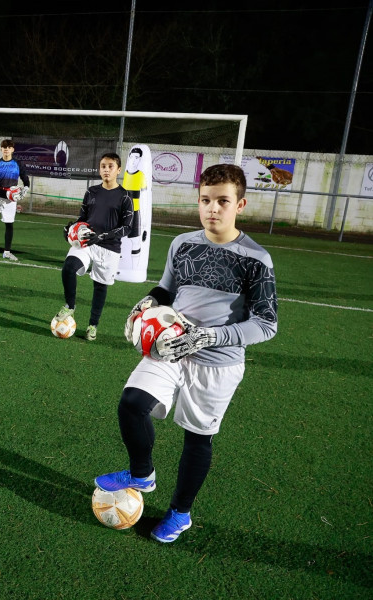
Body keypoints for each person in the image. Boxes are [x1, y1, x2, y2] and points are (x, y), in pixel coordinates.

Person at [94, 163, 278, 544]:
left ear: (240, 205)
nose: (213, 209)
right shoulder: (183, 244)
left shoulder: (256, 259)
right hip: (170, 346)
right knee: (131, 403)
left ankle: (180, 514)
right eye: (206, 200)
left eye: (223, 201)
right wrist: (144, 303)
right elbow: (166, 289)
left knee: (197, 438)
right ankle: (142, 473)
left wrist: (209, 337)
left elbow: (266, 324)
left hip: (218, 363)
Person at [57, 152, 134, 341]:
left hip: (110, 248)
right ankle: (70, 307)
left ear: (118, 170)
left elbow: (127, 228)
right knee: (69, 267)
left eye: (110, 166)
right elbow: (82, 219)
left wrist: (102, 236)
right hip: (86, 242)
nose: (106, 170)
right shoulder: (91, 192)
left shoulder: (125, 197)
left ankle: (92, 326)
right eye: (103, 166)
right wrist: (71, 229)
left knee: (100, 286)